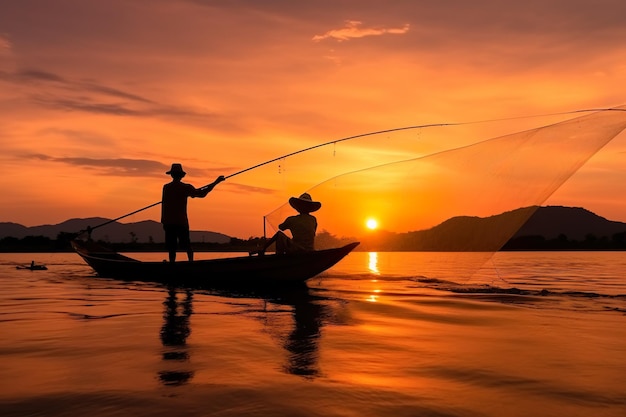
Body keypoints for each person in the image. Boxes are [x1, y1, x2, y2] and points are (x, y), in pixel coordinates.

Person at [161, 163, 224, 262]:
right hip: (181, 222)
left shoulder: (166, 188)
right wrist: (216, 182)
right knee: (187, 247)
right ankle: (191, 264)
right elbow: (201, 194)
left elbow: (164, 206)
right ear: (181, 175)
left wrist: (163, 222)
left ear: (172, 175)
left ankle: (171, 267)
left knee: (171, 249)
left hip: (168, 223)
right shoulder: (185, 187)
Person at [250, 193, 321, 256]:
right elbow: (312, 233)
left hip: (298, 250)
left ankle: (265, 250)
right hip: (309, 250)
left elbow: (281, 227)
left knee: (279, 235)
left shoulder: (292, 219)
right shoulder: (313, 219)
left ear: (298, 207)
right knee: (287, 239)